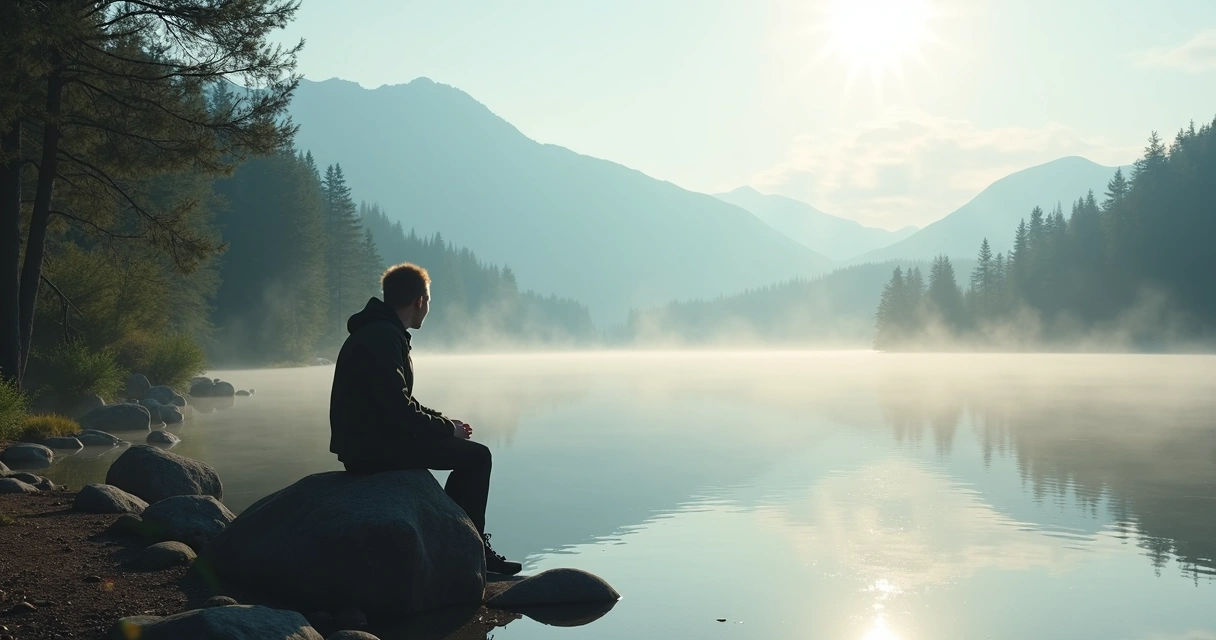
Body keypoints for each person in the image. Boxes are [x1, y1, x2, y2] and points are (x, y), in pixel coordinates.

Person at [329, 262, 522, 575]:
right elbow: (398, 409)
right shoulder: (384, 338)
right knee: (478, 457)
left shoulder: (379, 332)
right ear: (420, 301)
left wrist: (445, 423)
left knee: (466, 453)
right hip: (374, 448)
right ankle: (470, 550)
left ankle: (459, 539)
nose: (428, 307)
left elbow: (399, 401)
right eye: (428, 300)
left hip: (369, 442)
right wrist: (446, 429)